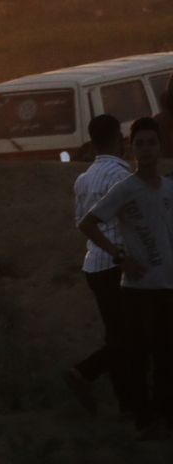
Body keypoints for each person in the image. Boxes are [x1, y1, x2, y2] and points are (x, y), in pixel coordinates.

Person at [78, 117, 173, 438]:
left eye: (152, 143)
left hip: (166, 283)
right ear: (130, 147)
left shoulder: (168, 188)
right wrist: (121, 256)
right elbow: (87, 223)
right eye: (140, 143)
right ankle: (144, 418)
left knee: (164, 355)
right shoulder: (125, 187)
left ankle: (161, 416)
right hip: (137, 287)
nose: (146, 150)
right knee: (138, 353)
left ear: (160, 147)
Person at [66, 114, 132, 415]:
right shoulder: (122, 175)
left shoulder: (83, 179)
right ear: (119, 139)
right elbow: (132, 222)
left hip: (93, 264)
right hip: (118, 262)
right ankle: (86, 372)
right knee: (133, 336)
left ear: (92, 142)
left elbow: (80, 222)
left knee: (118, 334)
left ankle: (125, 404)